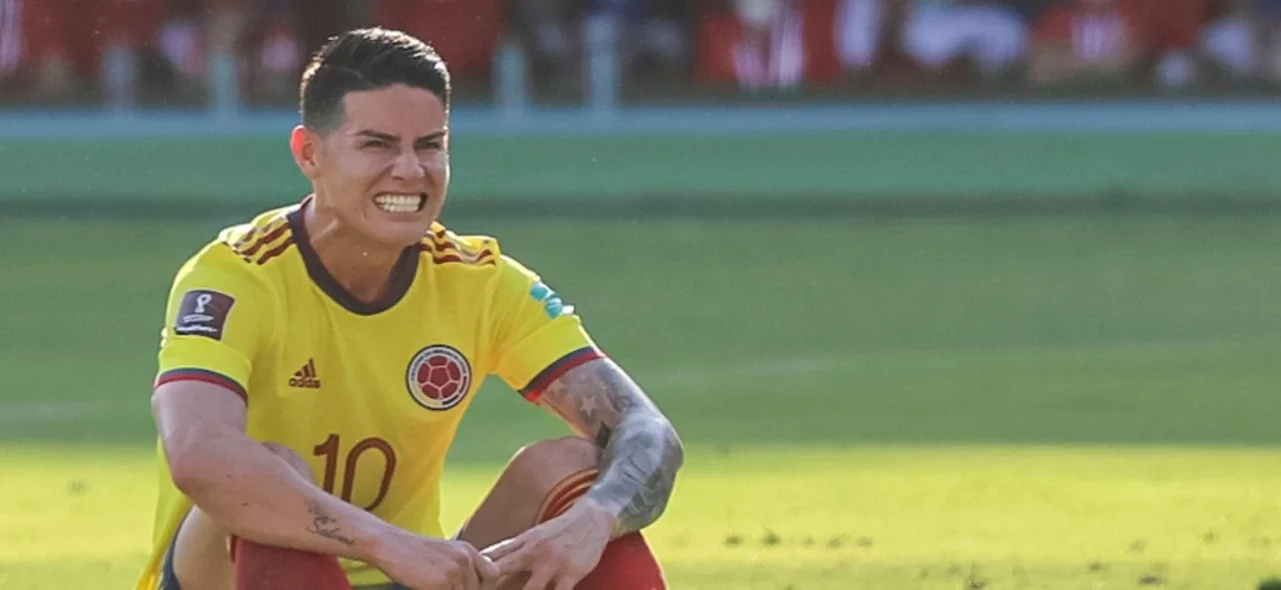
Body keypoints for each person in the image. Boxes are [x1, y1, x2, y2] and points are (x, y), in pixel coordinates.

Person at [133, 26, 684, 590]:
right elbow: (199, 454)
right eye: (377, 145)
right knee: (271, 471)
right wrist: (381, 540)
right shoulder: (238, 275)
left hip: (413, 573)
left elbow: (647, 430)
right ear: (309, 153)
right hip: (232, 576)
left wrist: (595, 519)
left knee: (575, 472)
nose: (409, 170)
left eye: (429, 145)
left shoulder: (480, 281)